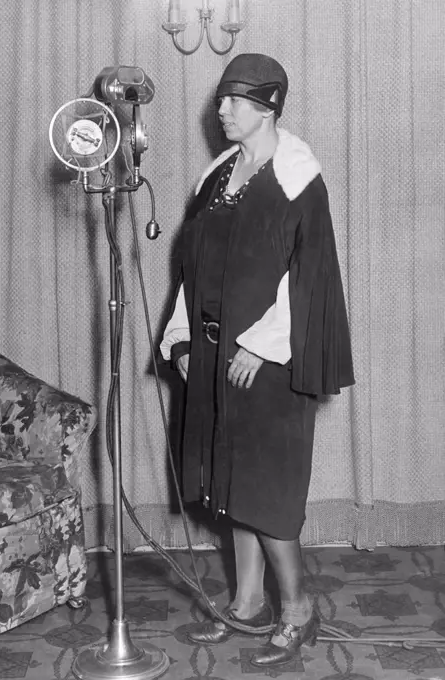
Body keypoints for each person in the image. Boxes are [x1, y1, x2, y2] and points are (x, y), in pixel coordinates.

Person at [160, 53, 355, 667]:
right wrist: (184, 338)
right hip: (215, 359)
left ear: (268, 106)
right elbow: (190, 268)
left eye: (234, 101)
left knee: (268, 491)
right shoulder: (218, 176)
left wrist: (260, 345)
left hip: (265, 363)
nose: (221, 111)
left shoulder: (299, 177)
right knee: (229, 486)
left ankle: (297, 609)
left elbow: (311, 276)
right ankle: (248, 603)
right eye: (220, 100)